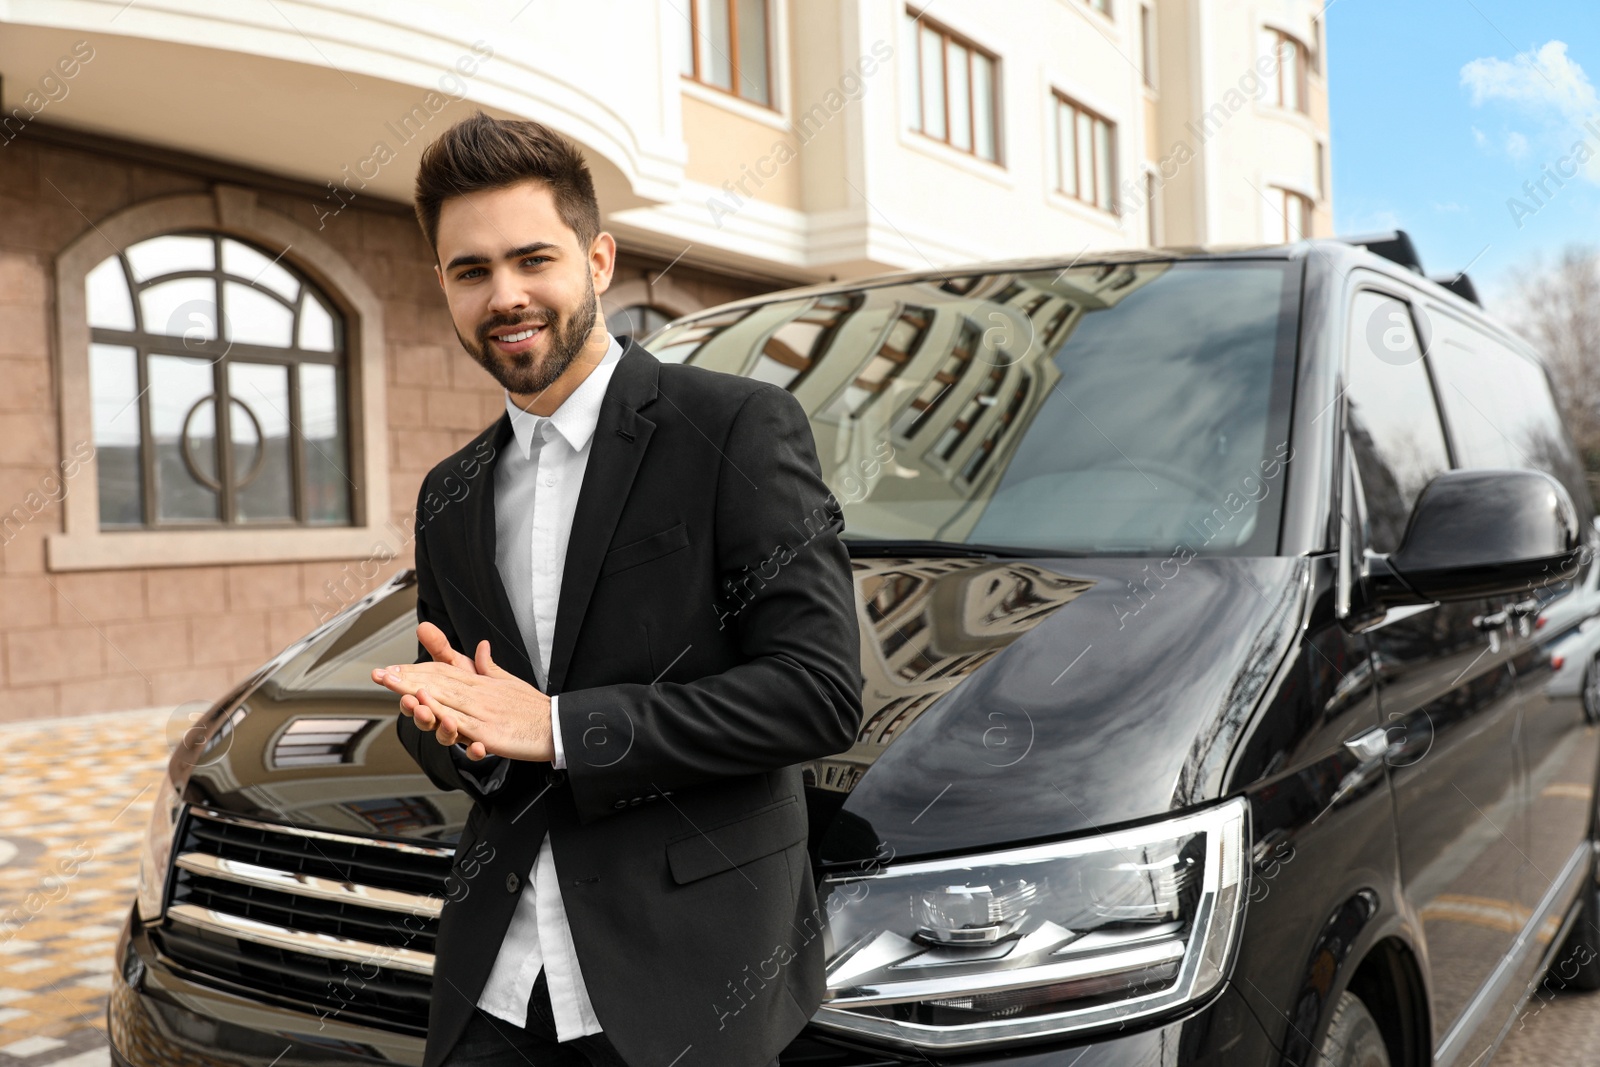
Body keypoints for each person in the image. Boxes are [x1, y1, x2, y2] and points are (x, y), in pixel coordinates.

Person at [371, 111, 864, 1067]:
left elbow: (818, 694)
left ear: (597, 260)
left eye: (532, 259)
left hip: (689, 979)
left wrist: (557, 727)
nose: (505, 295)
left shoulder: (737, 428)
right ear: (443, 287)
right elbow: (479, 717)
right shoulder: (449, 492)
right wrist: (445, 724)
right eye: (471, 272)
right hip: (498, 981)